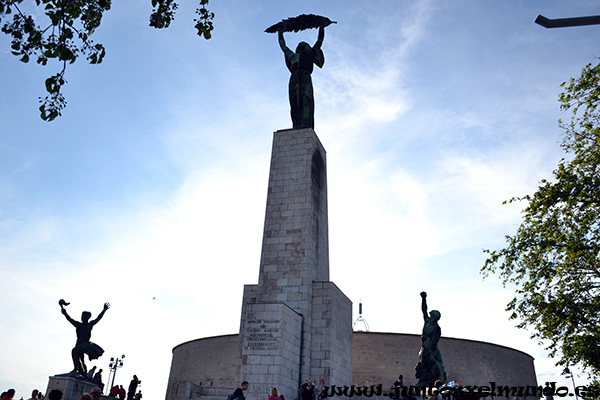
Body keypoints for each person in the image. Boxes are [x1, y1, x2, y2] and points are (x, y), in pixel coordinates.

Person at [278, 26, 325, 129]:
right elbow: (283, 46)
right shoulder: (292, 56)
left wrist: (321, 27)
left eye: (304, 45)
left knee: (306, 101)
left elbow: (319, 41)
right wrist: (280, 32)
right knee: (294, 103)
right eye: (300, 45)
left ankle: (306, 125)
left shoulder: (310, 54)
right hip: (294, 78)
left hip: (305, 77)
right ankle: (296, 125)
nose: (301, 45)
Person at [59, 301, 110, 376]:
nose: (82, 318)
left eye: (84, 316)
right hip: (79, 343)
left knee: (74, 351)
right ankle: (83, 371)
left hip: (85, 344)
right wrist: (65, 313)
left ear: (87, 317)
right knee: (80, 358)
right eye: (82, 316)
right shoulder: (78, 324)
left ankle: (76, 369)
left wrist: (104, 310)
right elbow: (69, 319)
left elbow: (98, 318)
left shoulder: (90, 324)